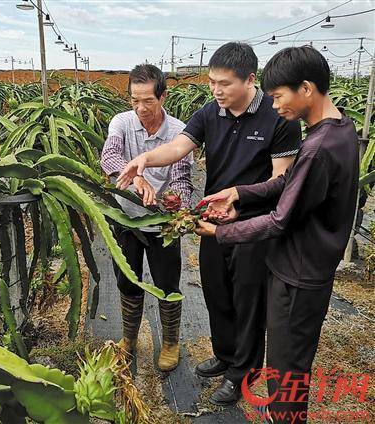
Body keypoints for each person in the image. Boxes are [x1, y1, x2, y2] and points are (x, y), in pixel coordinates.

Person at [116, 43, 301, 405]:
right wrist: (145, 160)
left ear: (250, 79)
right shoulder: (210, 111)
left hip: (253, 222)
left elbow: (282, 180)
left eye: (224, 84)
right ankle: (225, 353)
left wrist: (238, 194)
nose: (216, 90)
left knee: (247, 299)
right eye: (212, 82)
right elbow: (178, 147)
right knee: (217, 290)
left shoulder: (278, 119)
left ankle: (242, 373)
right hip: (214, 217)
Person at [195, 46, 359, 423]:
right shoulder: (339, 129)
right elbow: (288, 181)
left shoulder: (319, 147)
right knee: (290, 365)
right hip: (308, 267)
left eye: (278, 96)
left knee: (286, 370)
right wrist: (240, 193)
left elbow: (279, 220)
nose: (274, 105)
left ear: (305, 88)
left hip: (298, 274)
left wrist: (221, 233)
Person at [101, 64, 193, 371]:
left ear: (163, 96)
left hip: (162, 223)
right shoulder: (122, 123)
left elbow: (181, 179)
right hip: (125, 217)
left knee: (168, 283)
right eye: (134, 100)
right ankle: (129, 339)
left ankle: (170, 342)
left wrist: (176, 203)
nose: (140, 108)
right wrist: (136, 177)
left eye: (148, 101)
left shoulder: (179, 132)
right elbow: (110, 156)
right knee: (128, 280)